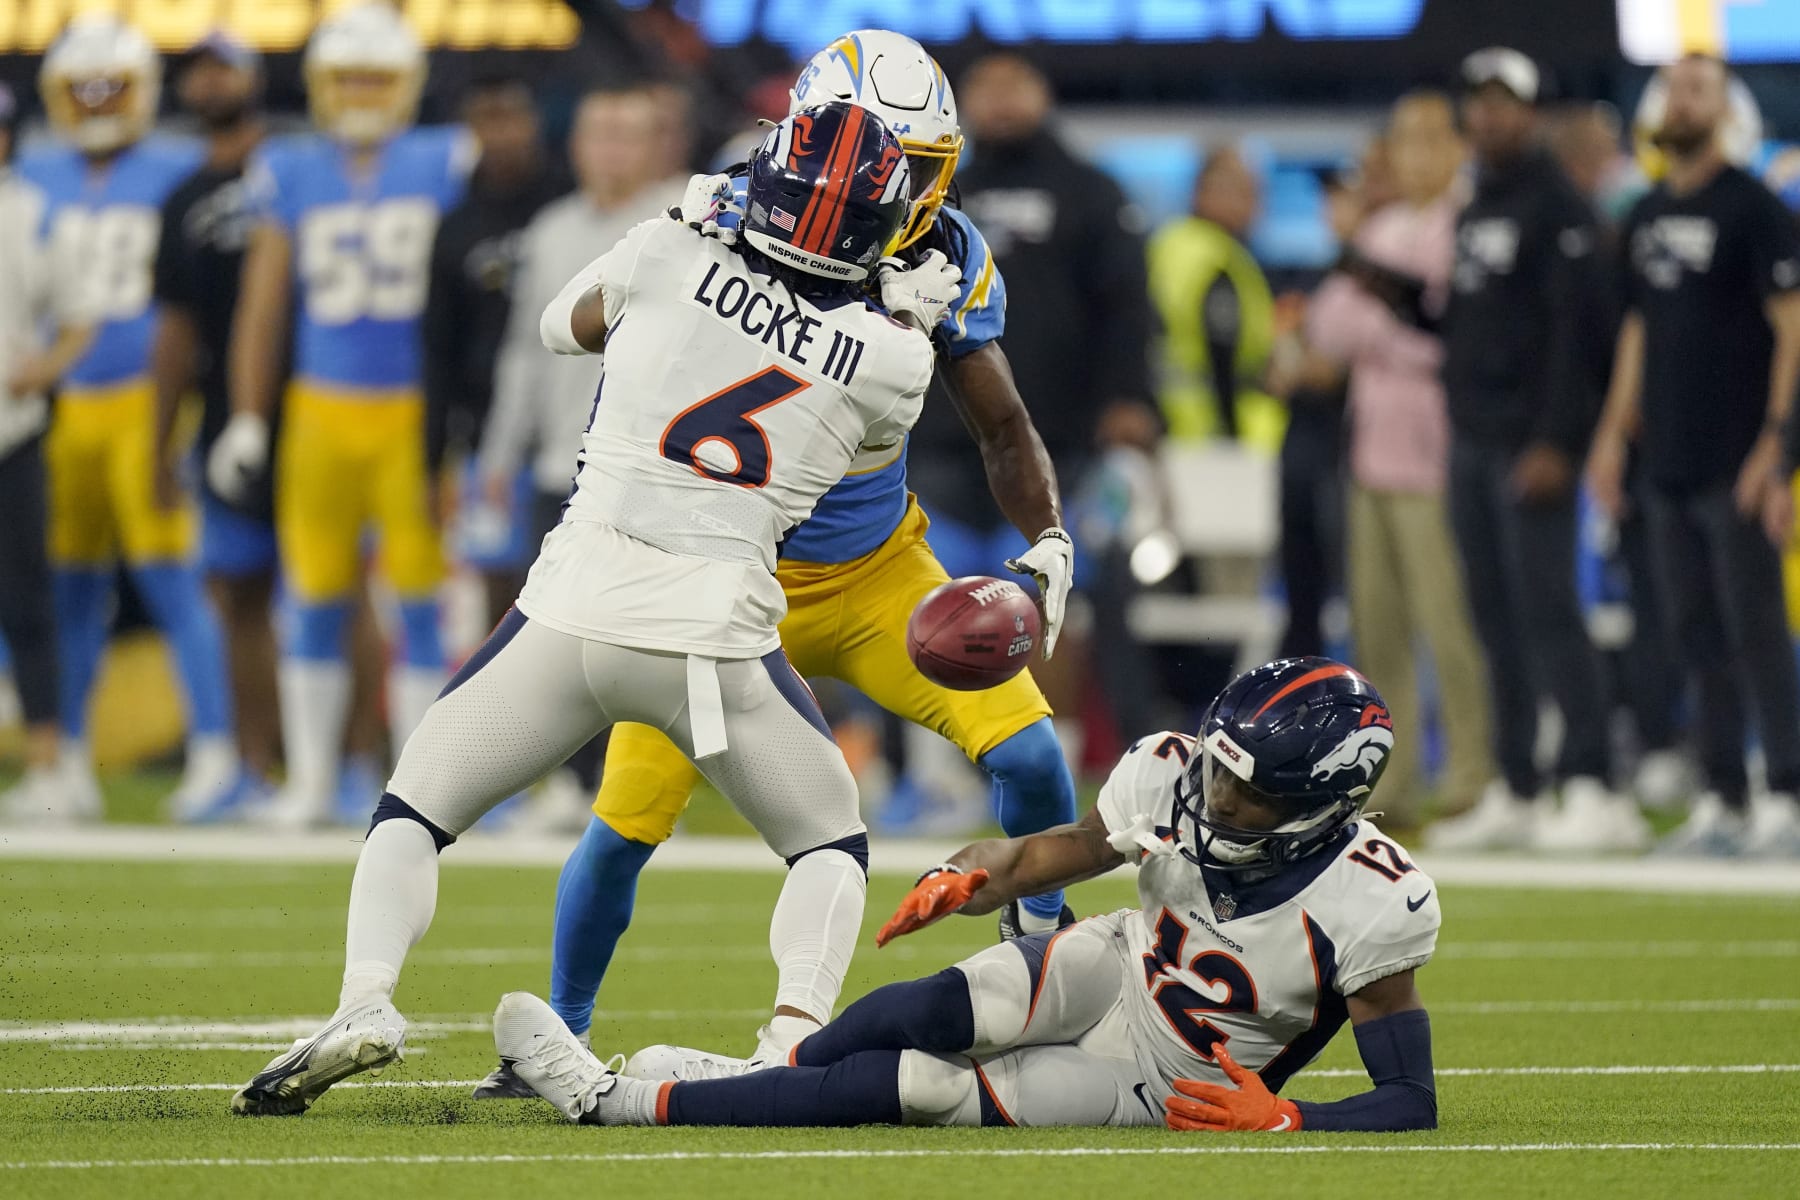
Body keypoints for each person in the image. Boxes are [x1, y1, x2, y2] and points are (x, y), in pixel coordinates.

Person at [231, 101, 955, 1117]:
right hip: (713, 639)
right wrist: (902, 312)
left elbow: (557, 326)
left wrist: (696, 231)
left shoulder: (665, 248)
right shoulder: (896, 359)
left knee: (411, 812)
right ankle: (791, 1039)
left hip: (571, 610)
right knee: (829, 844)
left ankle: (366, 999)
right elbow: (868, 454)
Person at [468, 32, 1080, 1102]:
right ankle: (551, 1043)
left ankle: (1041, 979)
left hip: (875, 569)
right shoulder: (718, 223)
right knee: (620, 831)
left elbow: (1004, 422)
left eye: (930, 170)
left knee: (1030, 758)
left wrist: (1048, 542)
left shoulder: (948, 257)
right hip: (715, 583)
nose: (917, 197)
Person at [494, 658, 1441, 1136]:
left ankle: (615, 1100)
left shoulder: (1372, 900)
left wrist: (1289, 1118)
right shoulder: (1171, 773)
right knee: (912, 1010)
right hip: (1116, 964)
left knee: (917, 1084)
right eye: (1220, 771)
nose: (1218, 797)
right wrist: (966, 872)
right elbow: (1052, 856)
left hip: (1167, 1076)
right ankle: (741, 1078)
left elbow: (1410, 1098)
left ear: (1326, 802)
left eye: (1250, 792)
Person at [210, 4, 470, 828]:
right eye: (347, 78)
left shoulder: (443, 158)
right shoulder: (289, 167)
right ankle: (313, 782)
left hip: (410, 413)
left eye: (375, 78)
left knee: (421, 602)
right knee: (314, 595)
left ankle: (426, 788)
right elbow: (263, 306)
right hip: (320, 408)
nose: (360, 93)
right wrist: (247, 416)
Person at [19, 15, 237, 821]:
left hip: (148, 404)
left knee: (173, 580)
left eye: (114, 87)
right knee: (67, 590)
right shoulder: (33, 168)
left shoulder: (179, 165)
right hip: (58, 406)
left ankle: (216, 751)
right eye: (85, 90)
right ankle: (63, 758)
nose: (101, 102)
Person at [1428, 48, 1644, 852]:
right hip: (1474, 440)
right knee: (1493, 616)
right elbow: (1475, 326)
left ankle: (1594, 782)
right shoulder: (1478, 204)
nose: (1491, 117)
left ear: (1533, 113)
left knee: (1551, 611)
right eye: (1478, 102)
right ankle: (1517, 784)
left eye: (1506, 103)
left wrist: (1558, 440)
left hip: (1531, 443)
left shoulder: (1560, 208)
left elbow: (1578, 339)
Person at [1588, 54, 1800, 857]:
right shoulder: (1643, 215)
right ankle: (1724, 794)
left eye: (1699, 88)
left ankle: (1786, 789)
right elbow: (1639, 330)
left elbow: (1794, 329)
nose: (1682, 98)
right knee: (1693, 629)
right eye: (1674, 86)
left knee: (1756, 627)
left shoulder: (1754, 208)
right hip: (1667, 459)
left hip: (1735, 457)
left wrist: (1778, 448)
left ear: (1726, 109)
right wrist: (1613, 433)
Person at [1306, 92, 1494, 831]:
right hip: (1371, 452)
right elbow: (1329, 323)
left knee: (1448, 623)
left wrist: (1379, 328)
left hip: (1433, 453)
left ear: (1455, 148)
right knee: (1377, 628)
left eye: (1429, 139)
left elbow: (1441, 337)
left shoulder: (1463, 225)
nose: (1415, 154)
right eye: (1405, 140)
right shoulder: (1385, 226)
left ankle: (1472, 772)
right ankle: (1394, 778)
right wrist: (1390, 324)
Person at [928, 49, 1152, 568]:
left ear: (1043, 94)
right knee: (934, 603)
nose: (1002, 98)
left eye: (1015, 84)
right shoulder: (936, 193)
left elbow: (1126, 303)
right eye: (987, 85)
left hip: (1057, 432)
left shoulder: (1091, 191)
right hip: (942, 433)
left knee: (1051, 598)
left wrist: (1128, 395)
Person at [475, 86, 679, 623]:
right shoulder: (550, 230)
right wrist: (500, 452)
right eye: (600, 135)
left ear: (656, 147)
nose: (612, 150)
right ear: (575, 146)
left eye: (627, 136)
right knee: (546, 629)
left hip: (657, 476)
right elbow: (523, 350)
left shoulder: (689, 227)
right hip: (559, 467)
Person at [148, 32, 277, 812]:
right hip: (224, 414)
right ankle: (253, 767)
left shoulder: (295, 171)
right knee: (237, 594)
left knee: (341, 594)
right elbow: (176, 331)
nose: (209, 82)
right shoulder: (184, 198)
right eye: (197, 72)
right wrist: (160, 440)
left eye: (222, 67)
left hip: (318, 403)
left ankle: (360, 766)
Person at [422, 74, 565, 627]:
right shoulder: (456, 227)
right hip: (487, 432)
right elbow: (436, 346)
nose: (503, 132)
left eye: (513, 115)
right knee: (498, 591)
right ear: (471, 129)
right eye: (489, 118)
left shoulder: (568, 204)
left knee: (564, 593)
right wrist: (432, 461)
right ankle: (501, 711)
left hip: (567, 426)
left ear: (534, 121)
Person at [0, 82, 94, 822]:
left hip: (11, 436)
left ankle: (49, 763)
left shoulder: (32, 215)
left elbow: (80, 318)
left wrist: (47, 367)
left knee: (28, 602)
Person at [1148, 145, 1280, 449]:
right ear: (1207, 192)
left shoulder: (1169, 244)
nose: (1255, 206)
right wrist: (1230, 434)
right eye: (1246, 193)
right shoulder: (1214, 258)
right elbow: (1222, 348)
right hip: (1212, 431)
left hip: (1172, 421)